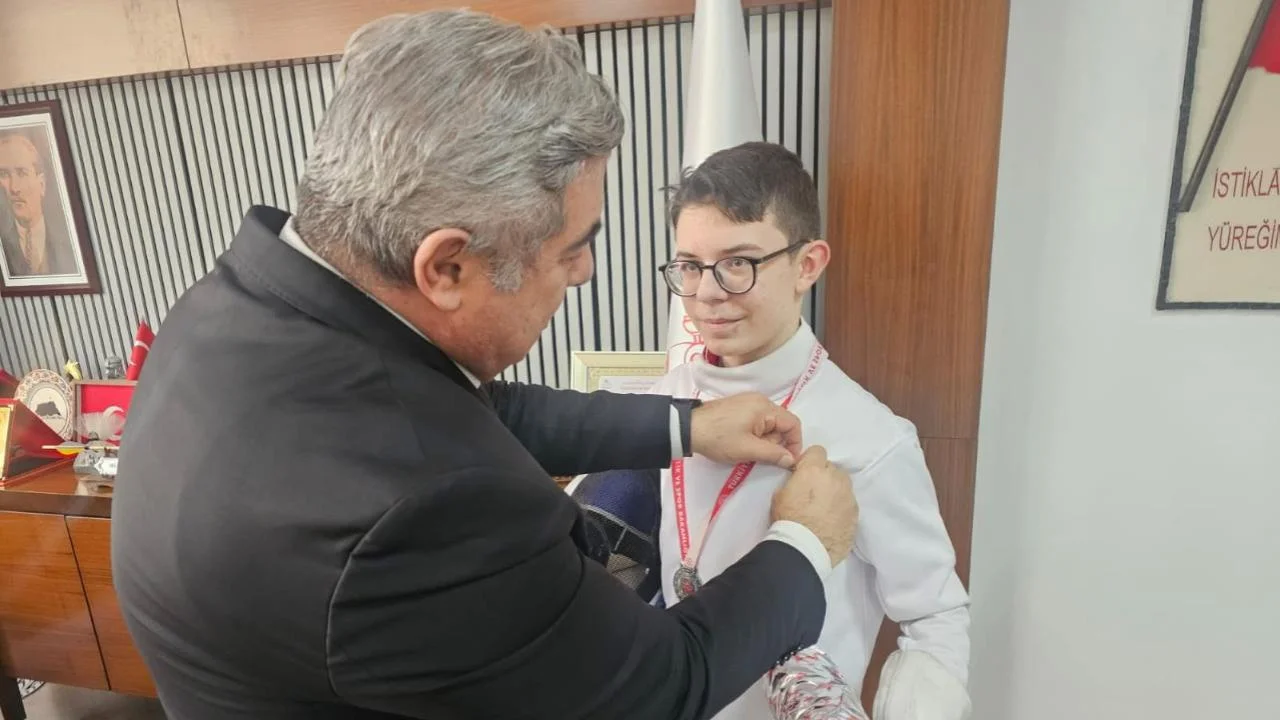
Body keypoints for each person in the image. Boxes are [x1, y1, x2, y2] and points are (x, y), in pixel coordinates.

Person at [111, 11, 860, 720]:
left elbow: (477, 411)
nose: (586, 271)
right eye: (572, 247)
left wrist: (688, 425)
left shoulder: (239, 308)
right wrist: (803, 543)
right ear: (447, 267)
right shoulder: (426, 513)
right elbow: (659, 687)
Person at [648, 142, 972, 720]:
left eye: (738, 263)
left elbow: (934, 613)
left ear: (807, 264)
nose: (707, 293)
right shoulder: (663, 403)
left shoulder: (870, 437)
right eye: (690, 266)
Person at [0, 131, 77, 278]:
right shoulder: (3, 244)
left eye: (22, 173)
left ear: (41, 184)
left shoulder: (69, 241)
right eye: (4, 174)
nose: (14, 188)